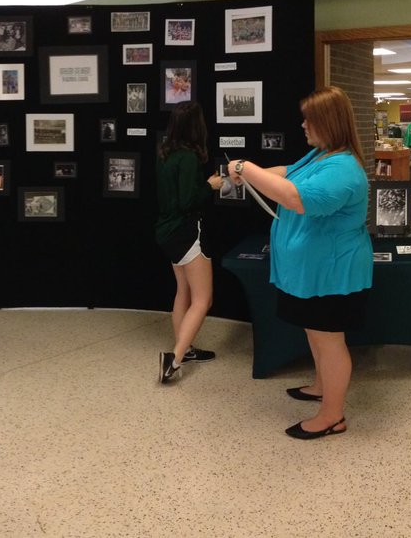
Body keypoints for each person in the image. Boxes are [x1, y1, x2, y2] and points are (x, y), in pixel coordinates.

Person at [226, 86, 372, 440]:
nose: (303, 125)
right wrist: (251, 175)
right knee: (316, 333)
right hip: (311, 273)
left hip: (330, 273)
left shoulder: (344, 168)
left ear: (329, 122)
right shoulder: (321, 156)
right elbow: (287, 173)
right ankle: (323, 386)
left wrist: (245, 166)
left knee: (329, 341)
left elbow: (295, 198)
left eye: (310, 119)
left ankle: (332, 417)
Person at [155, 101, 224, 384]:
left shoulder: (166, 155)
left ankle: (186, 348)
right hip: (186, 232)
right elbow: (188, 201)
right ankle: (175, 358)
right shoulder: (189, 158)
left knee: (182, 292)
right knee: (203, 299)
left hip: (167, 232)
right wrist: (211, 185)